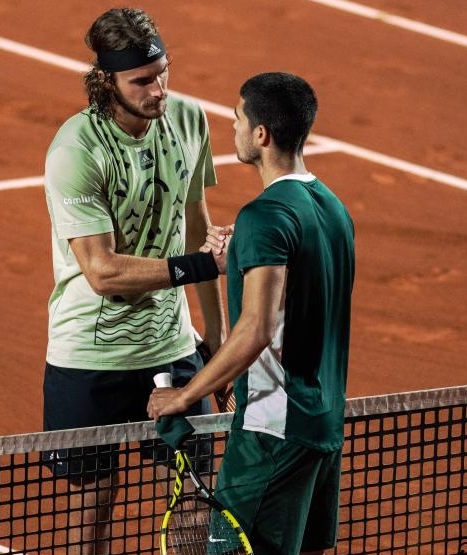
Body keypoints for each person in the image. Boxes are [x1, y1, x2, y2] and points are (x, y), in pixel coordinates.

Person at [41, 8, 226, 555]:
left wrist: (217, 338)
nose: (158, 90)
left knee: (195, 502)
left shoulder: (188, 120)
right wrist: (199, 266)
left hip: (172, 347)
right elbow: (102, 271)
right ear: (106, 82)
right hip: (88, 356)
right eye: (142, 81)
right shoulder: (76, 150)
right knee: (92, 510)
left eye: (163, 73)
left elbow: (197, 227)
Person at [147, 72, 356, 555]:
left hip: (270, 433)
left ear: (261, 134)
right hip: (322, 427)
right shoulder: (332, 209)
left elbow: (257, 327)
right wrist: (241, 252)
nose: (234, 126)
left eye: (239, 118)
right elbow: (300, 291)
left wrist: (184, 396)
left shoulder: (264, 216)